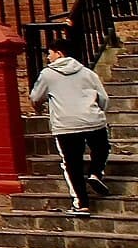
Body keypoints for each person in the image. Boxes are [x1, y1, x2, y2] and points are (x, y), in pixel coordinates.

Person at [31, 49, 114, 214]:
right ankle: (96, 173)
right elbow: (104, 98)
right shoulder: (87, 72)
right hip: (93, 120)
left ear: (59, 54)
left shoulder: (47, 74)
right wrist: (100, 113)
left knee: (72, 164)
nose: (48, 57)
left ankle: (82, 203)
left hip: (66, 125)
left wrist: (38, 108)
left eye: (50, 53)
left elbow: (35, 97)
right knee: (101, 148)